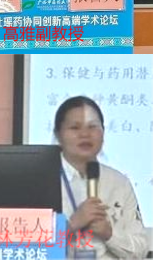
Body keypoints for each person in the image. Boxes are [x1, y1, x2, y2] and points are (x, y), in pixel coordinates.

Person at [54, 96, 149, 260]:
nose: (85, 134)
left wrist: (110, 234)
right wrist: (71, 225)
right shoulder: (41, 180)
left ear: (103, 133)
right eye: (75, 127)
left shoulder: (119, 183)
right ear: (58, 134)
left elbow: (141, 249)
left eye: (93, 127)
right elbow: (24, 244)